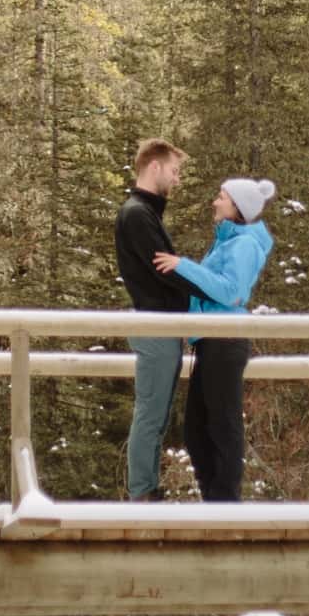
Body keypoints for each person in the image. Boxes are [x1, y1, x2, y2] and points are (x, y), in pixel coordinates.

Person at [153, 177, 275, 501]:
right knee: (196, 430)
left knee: (222, 425)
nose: (214, 201)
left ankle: (224, 506)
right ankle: (215, 503)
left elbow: (231, 292)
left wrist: (183, 267)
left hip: (226, 340)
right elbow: (209, 290)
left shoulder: (244, 244)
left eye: (221, 197)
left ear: (237, 207)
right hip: (211, 340)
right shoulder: (227, 242)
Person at [114, 138, 192, 500]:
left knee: (156, 413)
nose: (177, 180)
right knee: (150, 414)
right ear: (155, 167)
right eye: (174, 171)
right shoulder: (136, 214)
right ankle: (142, 494)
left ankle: (146, 492)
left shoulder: (145, 213)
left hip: (162, 325)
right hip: (155, 325)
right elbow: (163, 269)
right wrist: (211, 291)